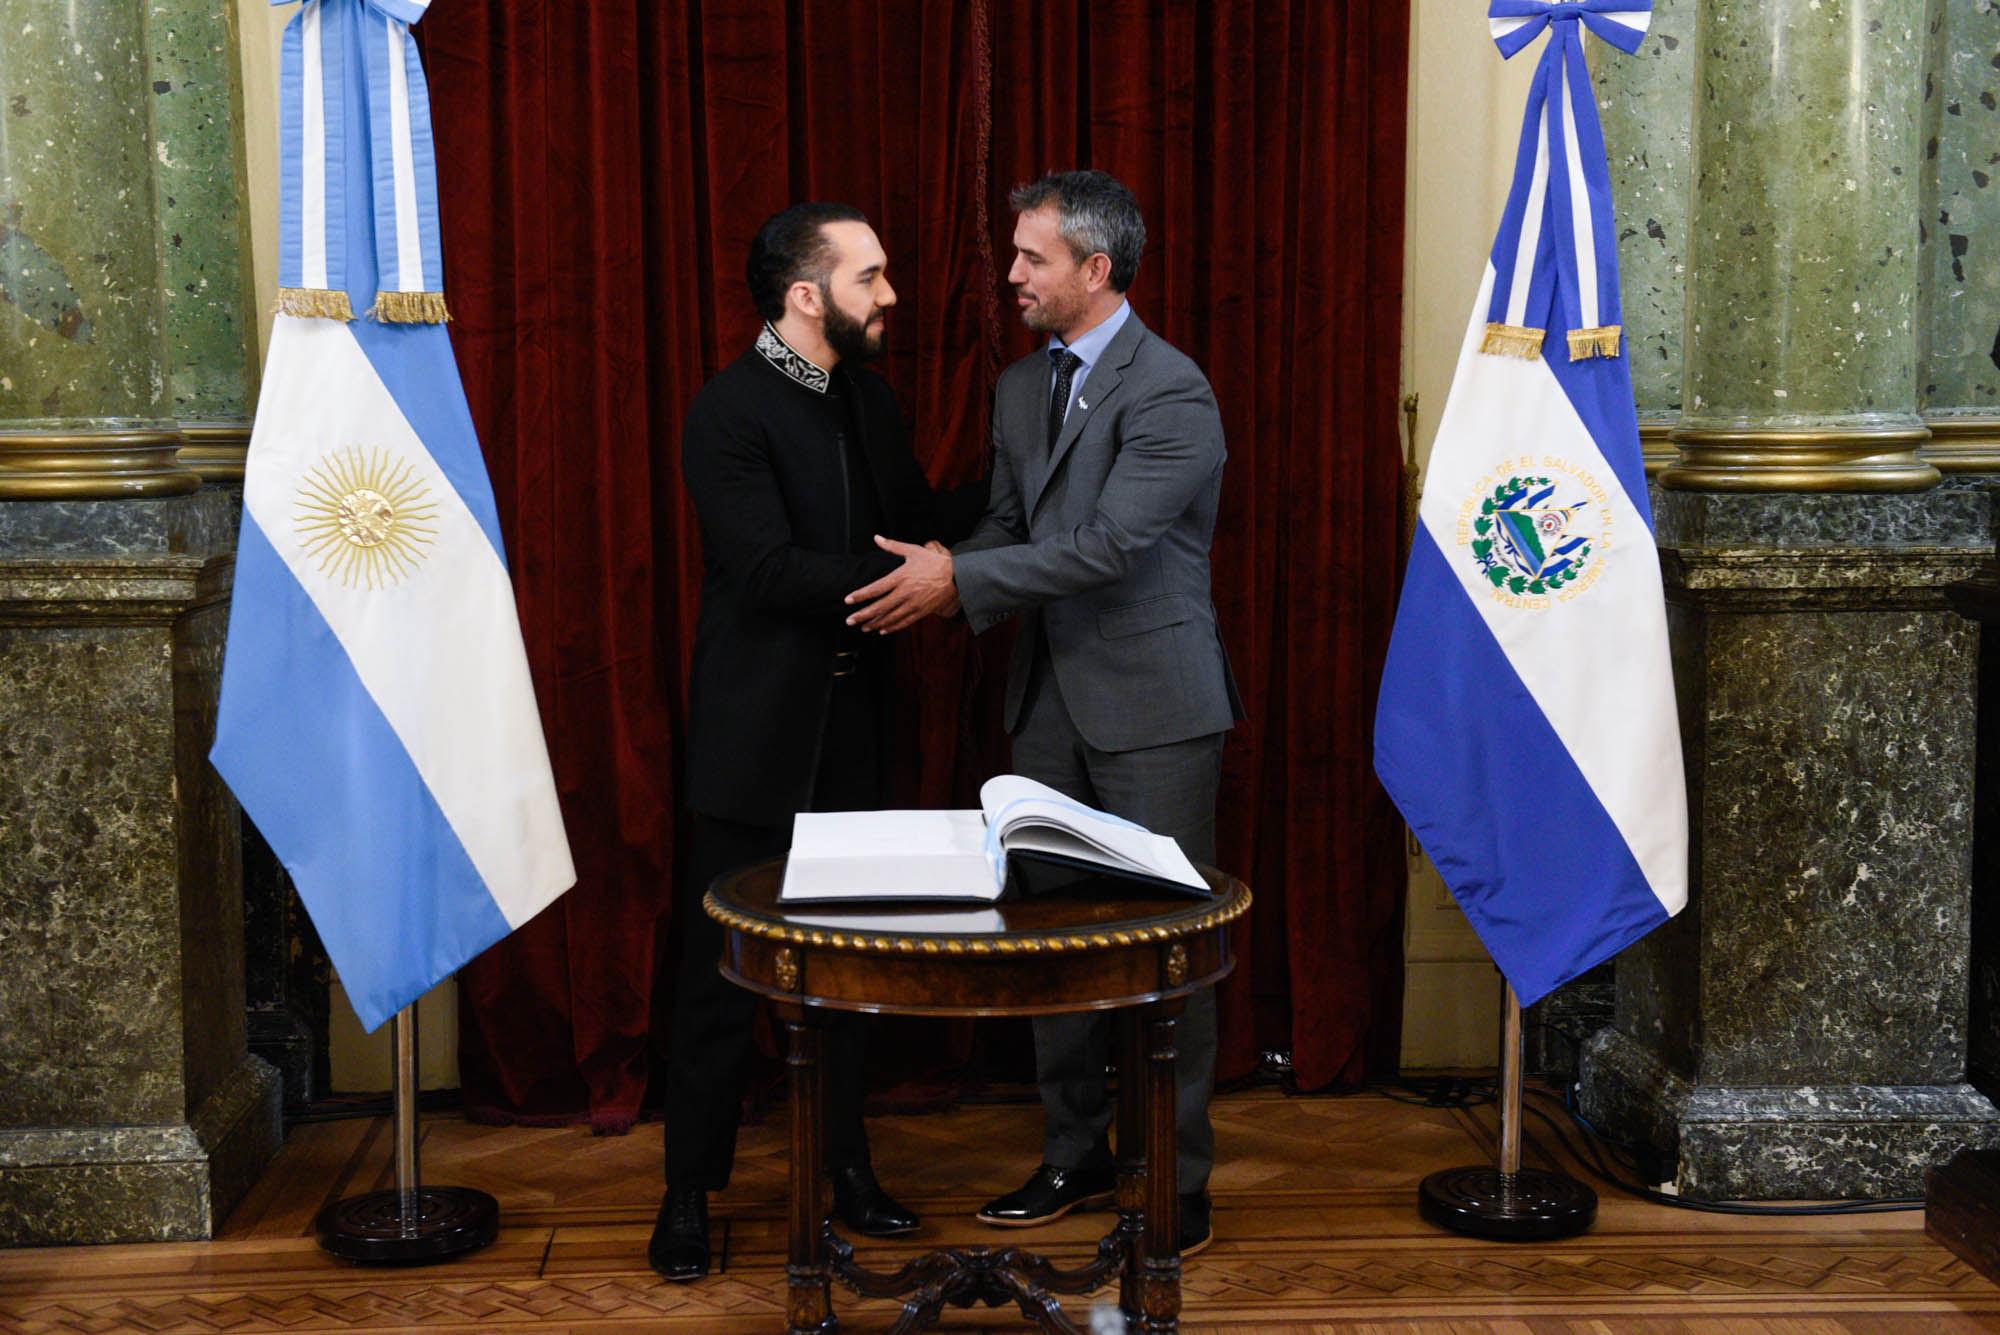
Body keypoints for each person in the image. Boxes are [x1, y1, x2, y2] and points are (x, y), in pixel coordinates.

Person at [844, 169, 1241, 1256]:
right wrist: (932, 570)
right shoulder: (1023, 390)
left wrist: (955, 585)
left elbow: (1109, 548)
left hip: (1155, 708)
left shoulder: (1172, 392)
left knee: (1169, 947)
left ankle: (1174, 1176)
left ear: (1093, 270)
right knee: (1052, 939)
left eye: (1031, 258)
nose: (1010, 275)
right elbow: (1014, 526)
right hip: (1045, 708)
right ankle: (1072, 1151)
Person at [653, 201, 982, 1281]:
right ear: (807, 296)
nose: (890, 296)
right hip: (756, 739)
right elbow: (761, 569)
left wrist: (1019, 494)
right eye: (870, 278)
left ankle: (847, 1167)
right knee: (713, 984)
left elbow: (920, 512)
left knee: (850, 969)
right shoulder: (728, 409)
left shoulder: (871, 403)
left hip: (853, 737)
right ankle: (687, 1195)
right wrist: (917, 585)